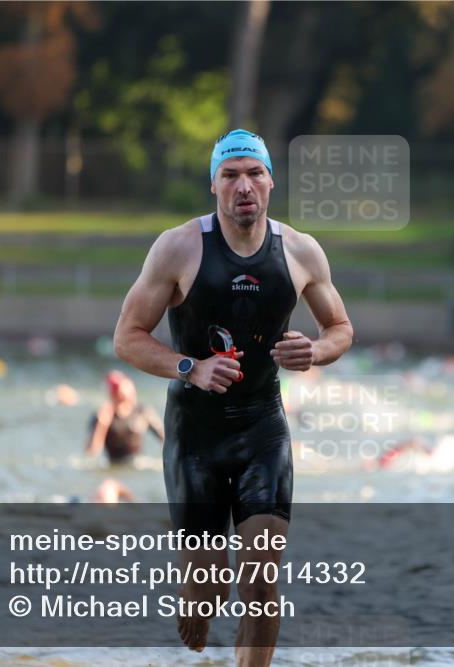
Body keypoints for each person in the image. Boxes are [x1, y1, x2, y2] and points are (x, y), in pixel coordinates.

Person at [113, 129, 353, 666]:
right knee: (210, 592)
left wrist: (314, 351)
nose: (244, 186)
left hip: (262, 429)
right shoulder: (178, 247)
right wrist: (189, 367)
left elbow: (340, 327)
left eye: (254, 173)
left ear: (270, 182)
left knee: (262, 585)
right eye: (231, 175)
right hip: (195, 435)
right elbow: (126, 337)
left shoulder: (300, 251)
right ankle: (196, 593)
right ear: (214, 186)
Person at [86, 370, 164, 464]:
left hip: (137, 463)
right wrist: (101, 426)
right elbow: (91, 453)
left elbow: (164, 438)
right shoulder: (101, 416)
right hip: (113, 464)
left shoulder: (142, 412)